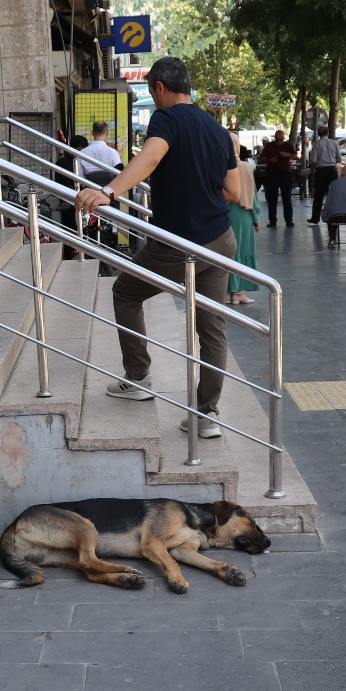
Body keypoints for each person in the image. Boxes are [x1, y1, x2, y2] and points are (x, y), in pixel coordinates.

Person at [71, 56, 240, 439]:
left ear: (160, 88)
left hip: (176, 244)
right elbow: (234, 191)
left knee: (125, 293)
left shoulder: (165, 119)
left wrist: (108, 192)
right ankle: (206, 415)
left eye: (151, 91)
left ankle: (139, 377)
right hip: (219, 241)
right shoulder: (216, 130)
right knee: (212, 330)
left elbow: (150, 156)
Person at [226, 135, 259, 304]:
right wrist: (256, 217)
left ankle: (229, 291)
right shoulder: (244, 166)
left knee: (229, 252)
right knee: (241, 251)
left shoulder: (220, 165)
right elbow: (252, 194)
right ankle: (237, 291)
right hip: (243, 213)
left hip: (224, 212)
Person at [259, 128, 296, 226]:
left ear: (283, 138)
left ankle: (289, 220)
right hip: (272, 174)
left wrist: (288, 154)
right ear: (274, 138)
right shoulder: (269, 145)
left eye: (281, 139)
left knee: (287, 198)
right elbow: (262, 158)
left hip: (285, 174)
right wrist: (269, 160)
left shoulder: (288, 145)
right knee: (272, 199)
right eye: (277, 139)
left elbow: (296, 156)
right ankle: (272, 220)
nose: (279, 142)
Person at [305, 125, 341, 223]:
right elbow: (339, 158)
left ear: (318, 134)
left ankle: (315, 218)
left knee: (318, 195)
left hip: (321, 171)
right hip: (332, 170)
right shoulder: (334, 143)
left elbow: (314, 160)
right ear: (328, 133)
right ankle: (334, 215)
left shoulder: (316, 144)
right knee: (333, 194)